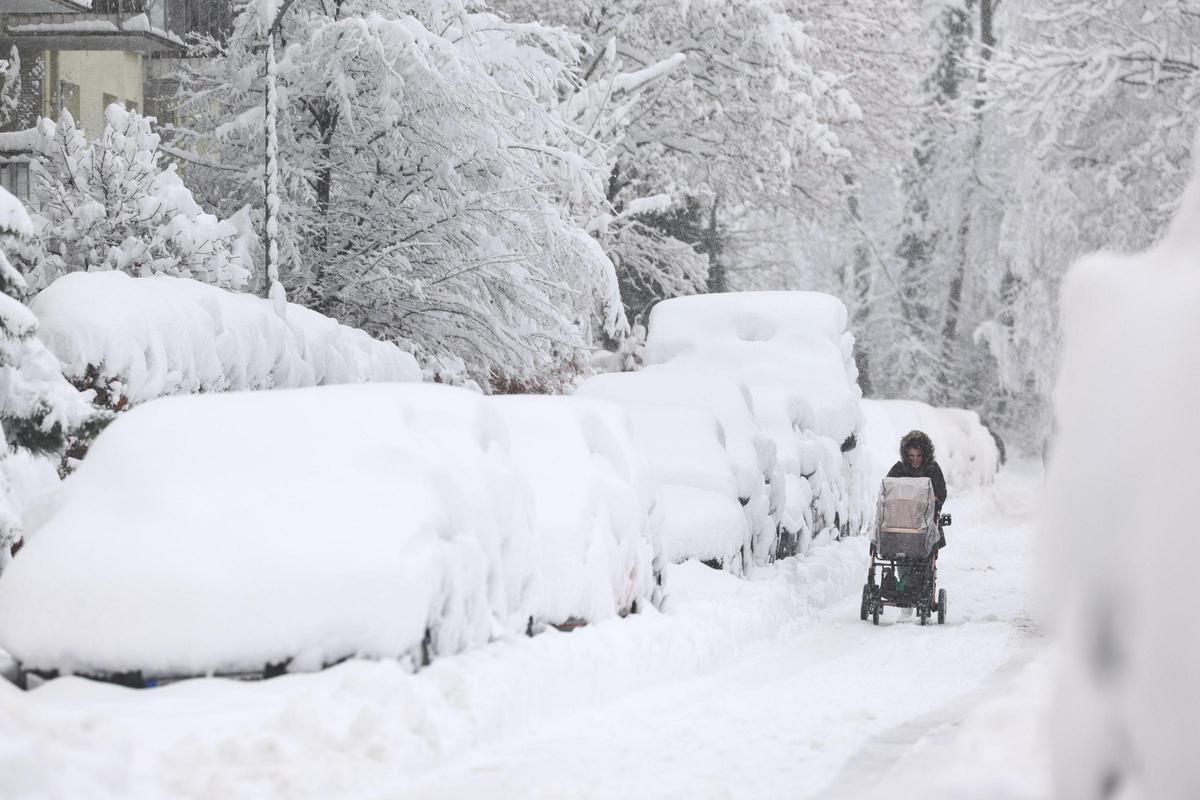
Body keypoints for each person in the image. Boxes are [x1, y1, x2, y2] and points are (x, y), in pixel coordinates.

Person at [886, 430, 947, 602]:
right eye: (911, 455)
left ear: (926, 455)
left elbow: (941, 493)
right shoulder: (898, 469)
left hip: (926, 524)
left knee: (924, 557)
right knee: (902, 555)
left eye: (919, 455)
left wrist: (933, 501)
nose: (915, 460)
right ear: (905, 454)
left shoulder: (933, 470)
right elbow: (888, 491)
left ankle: (920, 589)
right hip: (902, 522)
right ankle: (904, 588)